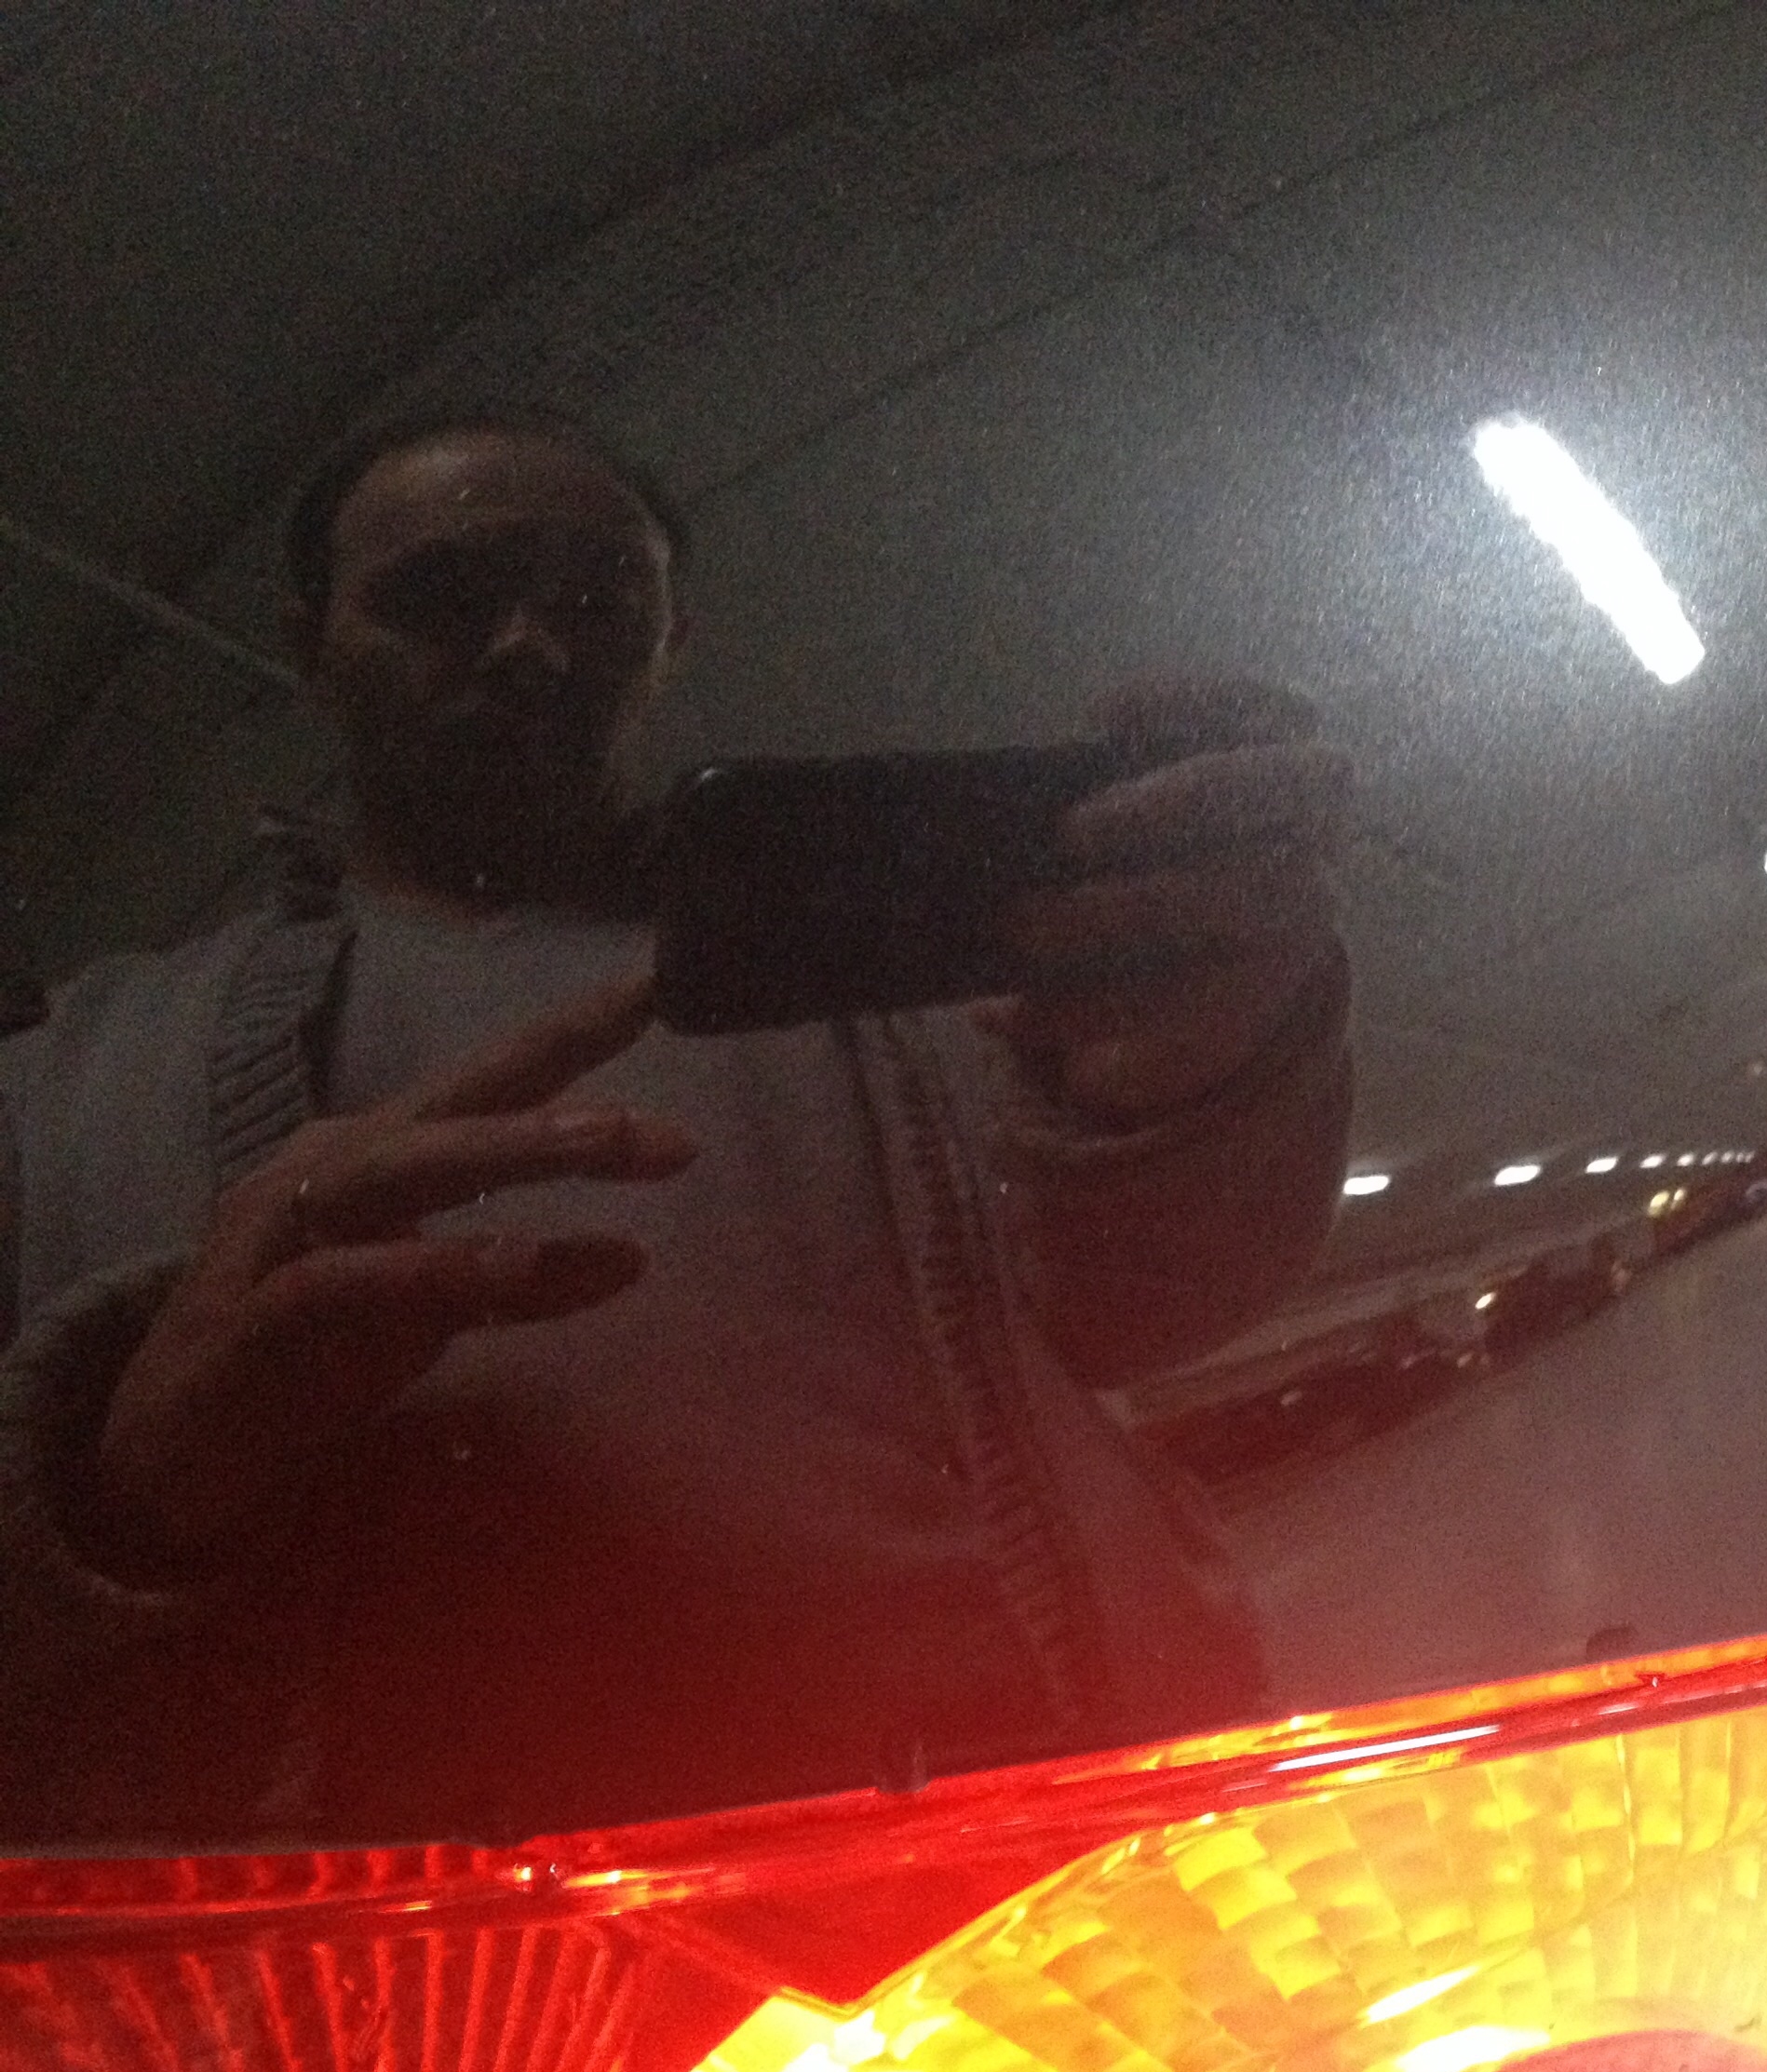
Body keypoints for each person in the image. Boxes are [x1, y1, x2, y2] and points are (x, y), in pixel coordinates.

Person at [0, 410, 1354, 1843]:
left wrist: (1211, 1056)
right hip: (404, 1965)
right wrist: (123, 1484)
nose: (529, 646)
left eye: (599, 599)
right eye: (440, 593)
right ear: (308, 643)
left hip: (1052, 1879)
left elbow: (1158, 1300)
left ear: (670, 640)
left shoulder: (920, 982)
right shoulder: (62, 1083)